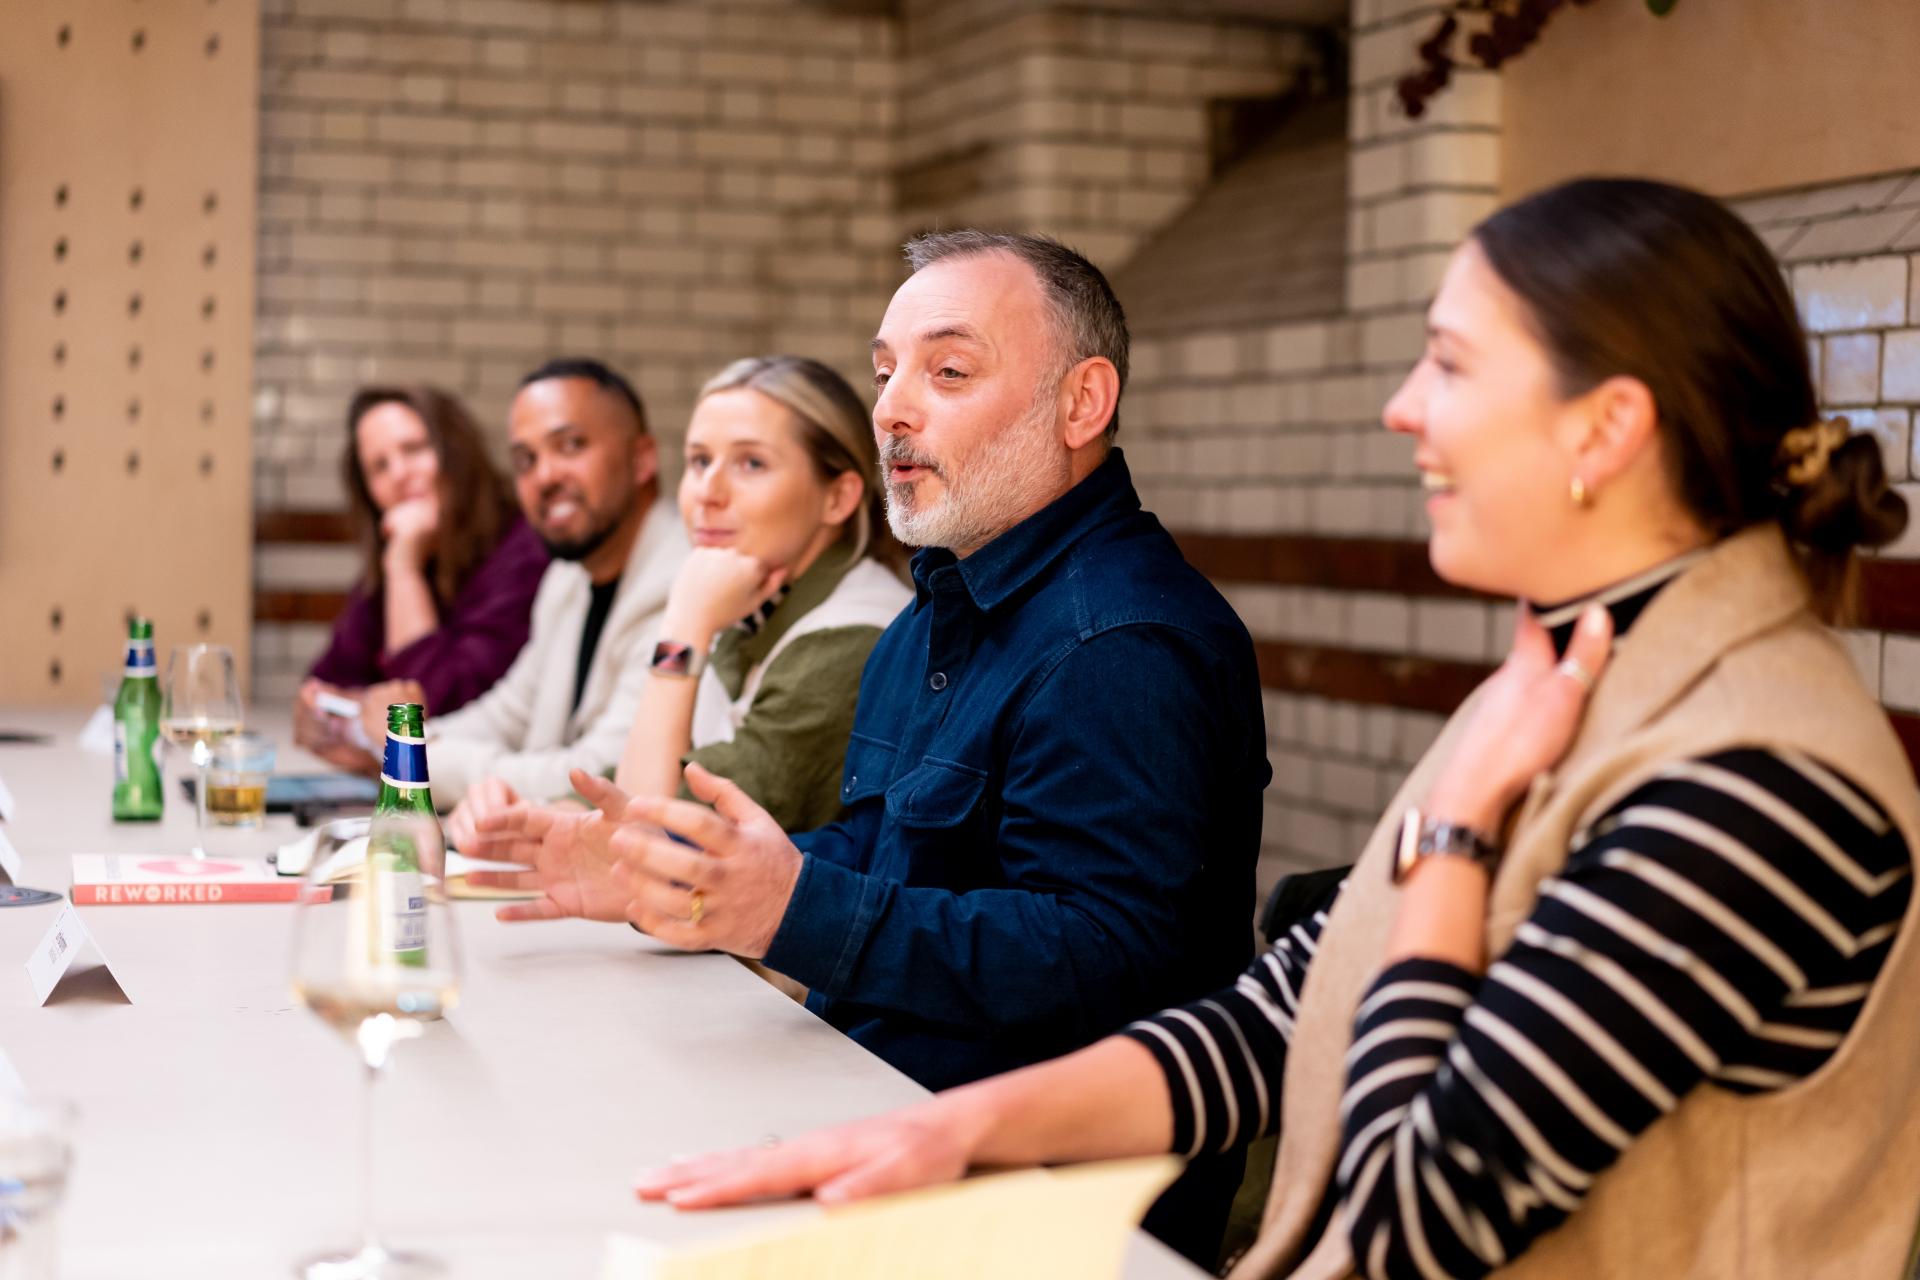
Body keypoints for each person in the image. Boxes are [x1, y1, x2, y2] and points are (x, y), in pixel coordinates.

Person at [627, 179, 1920, 1280]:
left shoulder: (1757, 775)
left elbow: (1423, 1211)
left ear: (1608, 427)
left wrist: (1454, 840)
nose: (1402, 407)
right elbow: (1287, 1011)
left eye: (1450, 364)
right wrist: (946, 1132)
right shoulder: (1571, 678)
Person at [471, 232, 1270, 1263]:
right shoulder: (930, 616)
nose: (892, 407)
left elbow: (1107, 960)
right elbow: (883, 848)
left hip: (1047, 1210)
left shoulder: (1122, 641)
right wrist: (691, 878)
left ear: (1082, 404)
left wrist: (791, 907)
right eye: (886, 370)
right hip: (868, 1106)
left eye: (949, 371)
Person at [447, 355, 910, 854]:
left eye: (751, 463)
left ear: (837, 498)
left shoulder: (849, 639)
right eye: (699, 461)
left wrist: (684, 626)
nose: (708, 492)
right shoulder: (753, 599)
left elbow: (651, 832)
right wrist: (524, 818)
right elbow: (629, 786)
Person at [426, 357, 687, 808]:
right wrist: (405, 741)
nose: (544, 476)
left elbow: (603, 775)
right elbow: (508, 713)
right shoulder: (567, 577)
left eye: (570, 445)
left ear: (642, 459)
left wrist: (422, 763)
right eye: (526, 460)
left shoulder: (685, 584)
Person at [294, 386, 547, 767]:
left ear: (455, 451)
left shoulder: (525, 551)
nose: (399, 473)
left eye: (413, 449)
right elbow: (331, 679)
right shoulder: (390, 565)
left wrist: (405, 570)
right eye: (379, 467)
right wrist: (318, 712)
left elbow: (438, 711)